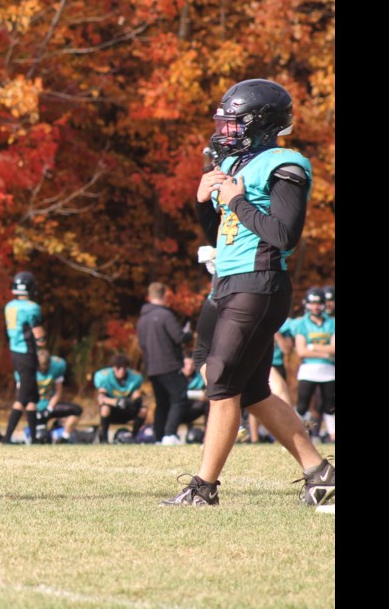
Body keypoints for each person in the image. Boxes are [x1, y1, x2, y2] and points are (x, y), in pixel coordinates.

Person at [164, 79, 334, 506]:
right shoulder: (236, 162)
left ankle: (203, 488)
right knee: (252, 390)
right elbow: (224, 235)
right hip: (228, 282)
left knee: (221, 382)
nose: (226, 129)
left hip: (259, 283)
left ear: (261, 124)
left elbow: (283, 235)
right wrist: (204, 202)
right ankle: (321, 474)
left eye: (236, 122)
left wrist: (237, 201)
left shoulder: (284, 163)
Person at [136, 282, 192, 445]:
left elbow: (142, 344)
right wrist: (188, 334)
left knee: (162, 403)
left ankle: (159, 436)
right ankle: (170, 434)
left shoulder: (142, 319)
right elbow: (179, 337)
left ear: (149, 296)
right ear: (164, 296)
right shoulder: (165, 315)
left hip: (151, 366)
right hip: (168, 364)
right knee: (179, 398)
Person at [3, 272, 47, 444]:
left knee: (32, 398)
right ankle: (6, 438)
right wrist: (42, 341)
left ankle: (34, 438)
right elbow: (38, 334)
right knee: (22, 398)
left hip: (15, 351)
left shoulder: (9, 306)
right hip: (27, 353)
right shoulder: (32, 307)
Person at [292, 287, 335, 442]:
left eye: (319, 303)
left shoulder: (332, 322)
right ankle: (294, 435)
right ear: (307, 304)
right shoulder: (302, 323)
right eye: (313, 303)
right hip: (308, 369)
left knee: (330, 405)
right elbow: (302, 351)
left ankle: (332, 435)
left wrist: (312, 346)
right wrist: (325, 352)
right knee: (302, 405)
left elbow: (334, 348)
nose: (316, 306)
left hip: (329, 370)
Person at [19, 349, 82, 443]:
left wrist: (49, 408)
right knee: (41, 438)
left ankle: (64, 438)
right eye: (41, 366)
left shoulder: (56, 368)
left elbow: (58, 392)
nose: (44, 368)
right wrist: (32, 410)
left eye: (46, 366)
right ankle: (31, 434)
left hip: (49, 406)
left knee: (77, 410)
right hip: (33, 407)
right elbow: (24, 395)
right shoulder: (29, 371)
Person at [93, 354, 147, 444]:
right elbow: (101, 399)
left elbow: (138, 395)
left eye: (124, 368)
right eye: (119, 368)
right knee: (105, 408)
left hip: (128, 410)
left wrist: (134, 402)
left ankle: (133, 436)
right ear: (114, 368)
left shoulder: (134, 378)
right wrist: (115, 402)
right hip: (113, 411)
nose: (122, 371)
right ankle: (104, 439)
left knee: (143, 410)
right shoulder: (104, 377)